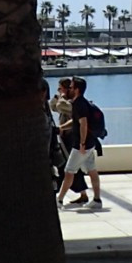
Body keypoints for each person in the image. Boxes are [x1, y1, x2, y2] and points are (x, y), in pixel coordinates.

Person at [56, 76, 106, 210]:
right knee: (92, 170)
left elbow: (83, 124)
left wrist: (82, 144)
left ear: (76, 89)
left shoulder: (78, 104)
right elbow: (76, 121)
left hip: (81, 145)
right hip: (90, 143)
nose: (69, 89)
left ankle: (59, 200)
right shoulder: (83, 103)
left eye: (71, 87)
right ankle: (97, 200)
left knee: (69, 171)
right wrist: (62, 127)